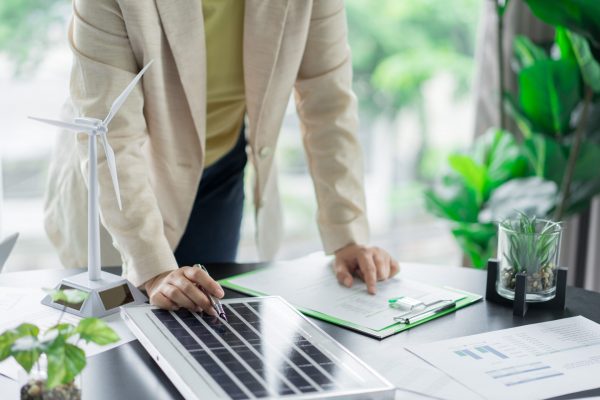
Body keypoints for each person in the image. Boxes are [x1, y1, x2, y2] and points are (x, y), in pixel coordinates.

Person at [45, 0, 399, 314]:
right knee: (121, 350)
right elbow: (114, 137)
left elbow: (328, 106)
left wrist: (348, 236)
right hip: (119, 189)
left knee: (212, 331)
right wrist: (152, 268)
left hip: (218, 174)